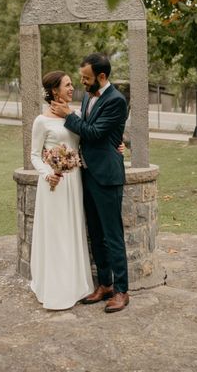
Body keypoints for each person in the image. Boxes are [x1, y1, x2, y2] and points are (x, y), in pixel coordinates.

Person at [50, 53, 130, 313]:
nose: (82, 83)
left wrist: (67, 115)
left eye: (86, 78)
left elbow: (94, 133)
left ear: (102, 76)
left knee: (113, 236)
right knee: (96, 235)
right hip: (88, 174)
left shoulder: (117, 100)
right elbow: (88, 128)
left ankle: (121, 291)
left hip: (107, 176)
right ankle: (105, 284)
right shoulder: (87, 97)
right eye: (81, 78)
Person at [29, 71, 94, 310]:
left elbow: (87, 138)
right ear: (54, 90)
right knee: (56, 233)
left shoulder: (74, 115)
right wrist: (48, 174)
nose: (71, 88)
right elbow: (34, 155)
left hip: (74, 181)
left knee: (72, 230)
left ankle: (76, 285)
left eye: (71, 84)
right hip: (54, 184)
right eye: (67, 85)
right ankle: (56, 288)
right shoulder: (41, 121)